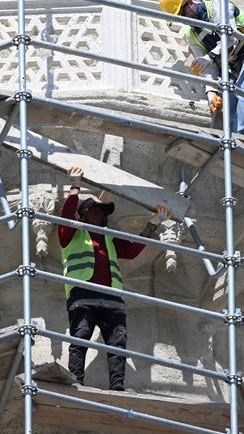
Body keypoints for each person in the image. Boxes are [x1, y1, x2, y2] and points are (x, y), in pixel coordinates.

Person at [58, 166, 172, 391]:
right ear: (85, 212)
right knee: (80, 337)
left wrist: (154, 223)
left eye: (105, 211)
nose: (105, 214)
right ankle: (76, 381)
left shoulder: (109, 238)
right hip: (83, 294)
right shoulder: (72, 234)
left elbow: (132, 250)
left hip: (112, 297)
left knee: (117, 342)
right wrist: (75, 187)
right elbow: (67, 215)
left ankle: (117, 386)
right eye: (99, 209)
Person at [159, 0, 244, 146]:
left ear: (190, 3)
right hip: (235, 66)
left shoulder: (218, 6)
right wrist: (211, 92)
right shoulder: (192, 35)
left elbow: (231, 37)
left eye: (182, 14)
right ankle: (233, 142)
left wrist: (209, 57)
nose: (183, 20)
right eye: (178, 18)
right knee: (230, 102)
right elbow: (208, 68)